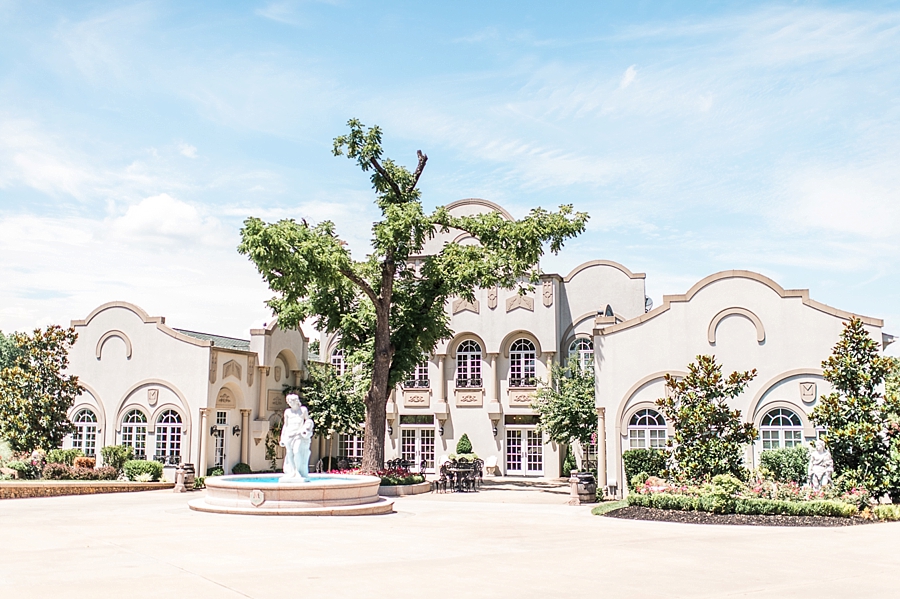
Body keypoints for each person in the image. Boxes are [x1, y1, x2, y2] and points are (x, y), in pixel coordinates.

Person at [279, 394, 315, 481]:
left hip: (298, 435)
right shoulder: (287, 412)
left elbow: (308, 421)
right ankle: (292, 472)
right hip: (289, 435)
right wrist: (282, 437)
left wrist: (306, 428)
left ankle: (299, 471)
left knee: (296, 451)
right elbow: (285, 425)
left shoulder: (303, 410)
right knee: (290, 454)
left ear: (296, 401)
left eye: (291, 401)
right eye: (288, 402)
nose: (290, 403)